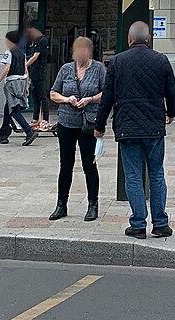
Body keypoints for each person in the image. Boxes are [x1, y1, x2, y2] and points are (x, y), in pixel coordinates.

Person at [95, 21, 175, 239]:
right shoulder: (161, 60)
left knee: (133, 176)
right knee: (156, 174)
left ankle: (138, 224)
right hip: (153, 127)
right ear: (148, 39)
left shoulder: (117, 62)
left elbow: (107, 97)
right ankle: (161, 224)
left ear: (129, 39)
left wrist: (99, 125)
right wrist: (171, 112)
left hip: (127, 128)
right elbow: (172, 91)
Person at [48, 36, 106, 222]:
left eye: (84, 49)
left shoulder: (98, 69)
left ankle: (92, 205)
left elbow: (107, 93)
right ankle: (61, 204)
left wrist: (89, 99)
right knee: (66, 164)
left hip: (88, 122)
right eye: (77, 49)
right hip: (67, 121)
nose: (81, 53)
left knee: (89, 164)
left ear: (90, 51)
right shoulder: (66, 69)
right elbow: (53, 93)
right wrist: (67, 99)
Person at [0, 30, 35, 146]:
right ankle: (3, 134)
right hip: (21, 81)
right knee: (8, 108)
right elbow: (26, 69)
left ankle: (29, 131)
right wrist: (26, 86)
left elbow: (7, 68)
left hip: (12, 83)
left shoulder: (8, 52)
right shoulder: (22, 53)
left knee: (13, 109)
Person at [23, 23, 51, 132]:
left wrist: (24, 65)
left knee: (42, 96)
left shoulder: (42, 40)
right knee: (35, 97)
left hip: (40, 72)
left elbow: (35, 56)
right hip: (34, 72)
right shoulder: (34, 42)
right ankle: (35, 119)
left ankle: (45, 120)